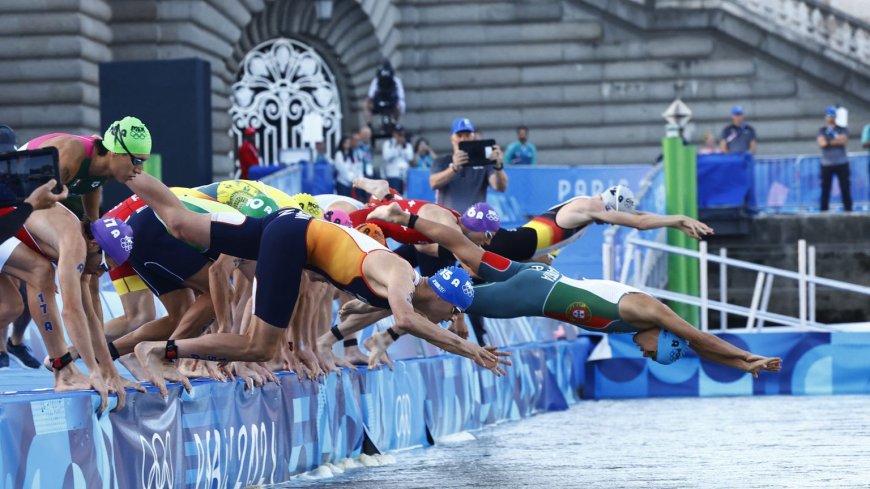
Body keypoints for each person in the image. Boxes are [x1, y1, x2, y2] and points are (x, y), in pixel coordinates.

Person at [124, 175, 509, 396]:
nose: (447, 321)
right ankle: (160, 351)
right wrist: (468, 349)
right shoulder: (402, 276)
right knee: (258, 347)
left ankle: (127, 172)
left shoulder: (397, 288)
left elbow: (348, 310)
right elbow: (407, 321)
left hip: (288, 227)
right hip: (294, 237)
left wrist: (307, 345)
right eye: (453, 313)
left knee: (179, 222)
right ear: (443, 296)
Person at [359, 204, 783, 376]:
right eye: (653, 352)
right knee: (431, 304)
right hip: (532, 295)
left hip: (537, 281)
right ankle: (368, 294)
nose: (644, 353)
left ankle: (402, 222)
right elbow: (699, 336)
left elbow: (697, 346)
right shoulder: (647, 310)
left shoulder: (641, 328)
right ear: (661, 335)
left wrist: (742, 366)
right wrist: (746, 357)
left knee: (464, 251)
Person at [486, 184, 713, 262]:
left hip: (513, 249)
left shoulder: (586, 215)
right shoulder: (588, 206)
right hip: (505, 244)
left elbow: (637, 215)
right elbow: (639, 222)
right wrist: (679, 218)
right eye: (614, 218)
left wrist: (674, 225)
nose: (610, 224)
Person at [19, 116, 151, 221]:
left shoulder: (105, 167)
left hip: (23, 208)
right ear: (115, 152)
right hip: (15, 198)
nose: (139, 169)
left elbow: (91, 187)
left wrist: (91, 224)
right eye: (137, 161)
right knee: (71, 232)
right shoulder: (72, 152)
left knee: (94, 241)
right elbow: (34, 197)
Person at [429, 117, 508, 213]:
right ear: (452, 139)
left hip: (474, 221)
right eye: (459, 135)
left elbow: (500, 187)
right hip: (448, 220)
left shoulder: (484, 162)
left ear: (473, 137)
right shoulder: (443, 161)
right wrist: (454, 168)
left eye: (467, 135)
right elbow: (433, 183)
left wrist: (498, 167)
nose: (463, 139)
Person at [817, 106, 852, 212]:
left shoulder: (842, 129)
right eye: (829, 115)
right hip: (827, 164)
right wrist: (835, 140)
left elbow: (843, 141)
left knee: (845, 188)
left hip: (841, 162)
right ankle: (823, 211)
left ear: (836, 117)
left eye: (832, 115)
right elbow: (822, 143)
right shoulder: (822, 130)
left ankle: (848, 210)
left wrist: (829, 141)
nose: (831, 118)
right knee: (825, 189)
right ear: (825, 117)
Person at [365, 59, 405, 126]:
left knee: (398, 106)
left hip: (392, 103)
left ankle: (395, 123)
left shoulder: (397, 81)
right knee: (366, 104)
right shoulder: (376, 81)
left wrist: (401, 105)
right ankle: (369, 125)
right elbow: (370, 96)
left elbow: (401, 96)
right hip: (378, 102)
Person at [381, 125, 413, 192]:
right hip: (393, 174)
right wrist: (395, 146)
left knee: (405, 197)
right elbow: (386, 157)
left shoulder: (407, 145)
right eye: (398, 133)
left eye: (401, 133)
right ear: (394, 133)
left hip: (405, 175)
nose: (399, 135)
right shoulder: (388, 144)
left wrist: (402, 145)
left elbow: (410, 158)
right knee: (396, 196)